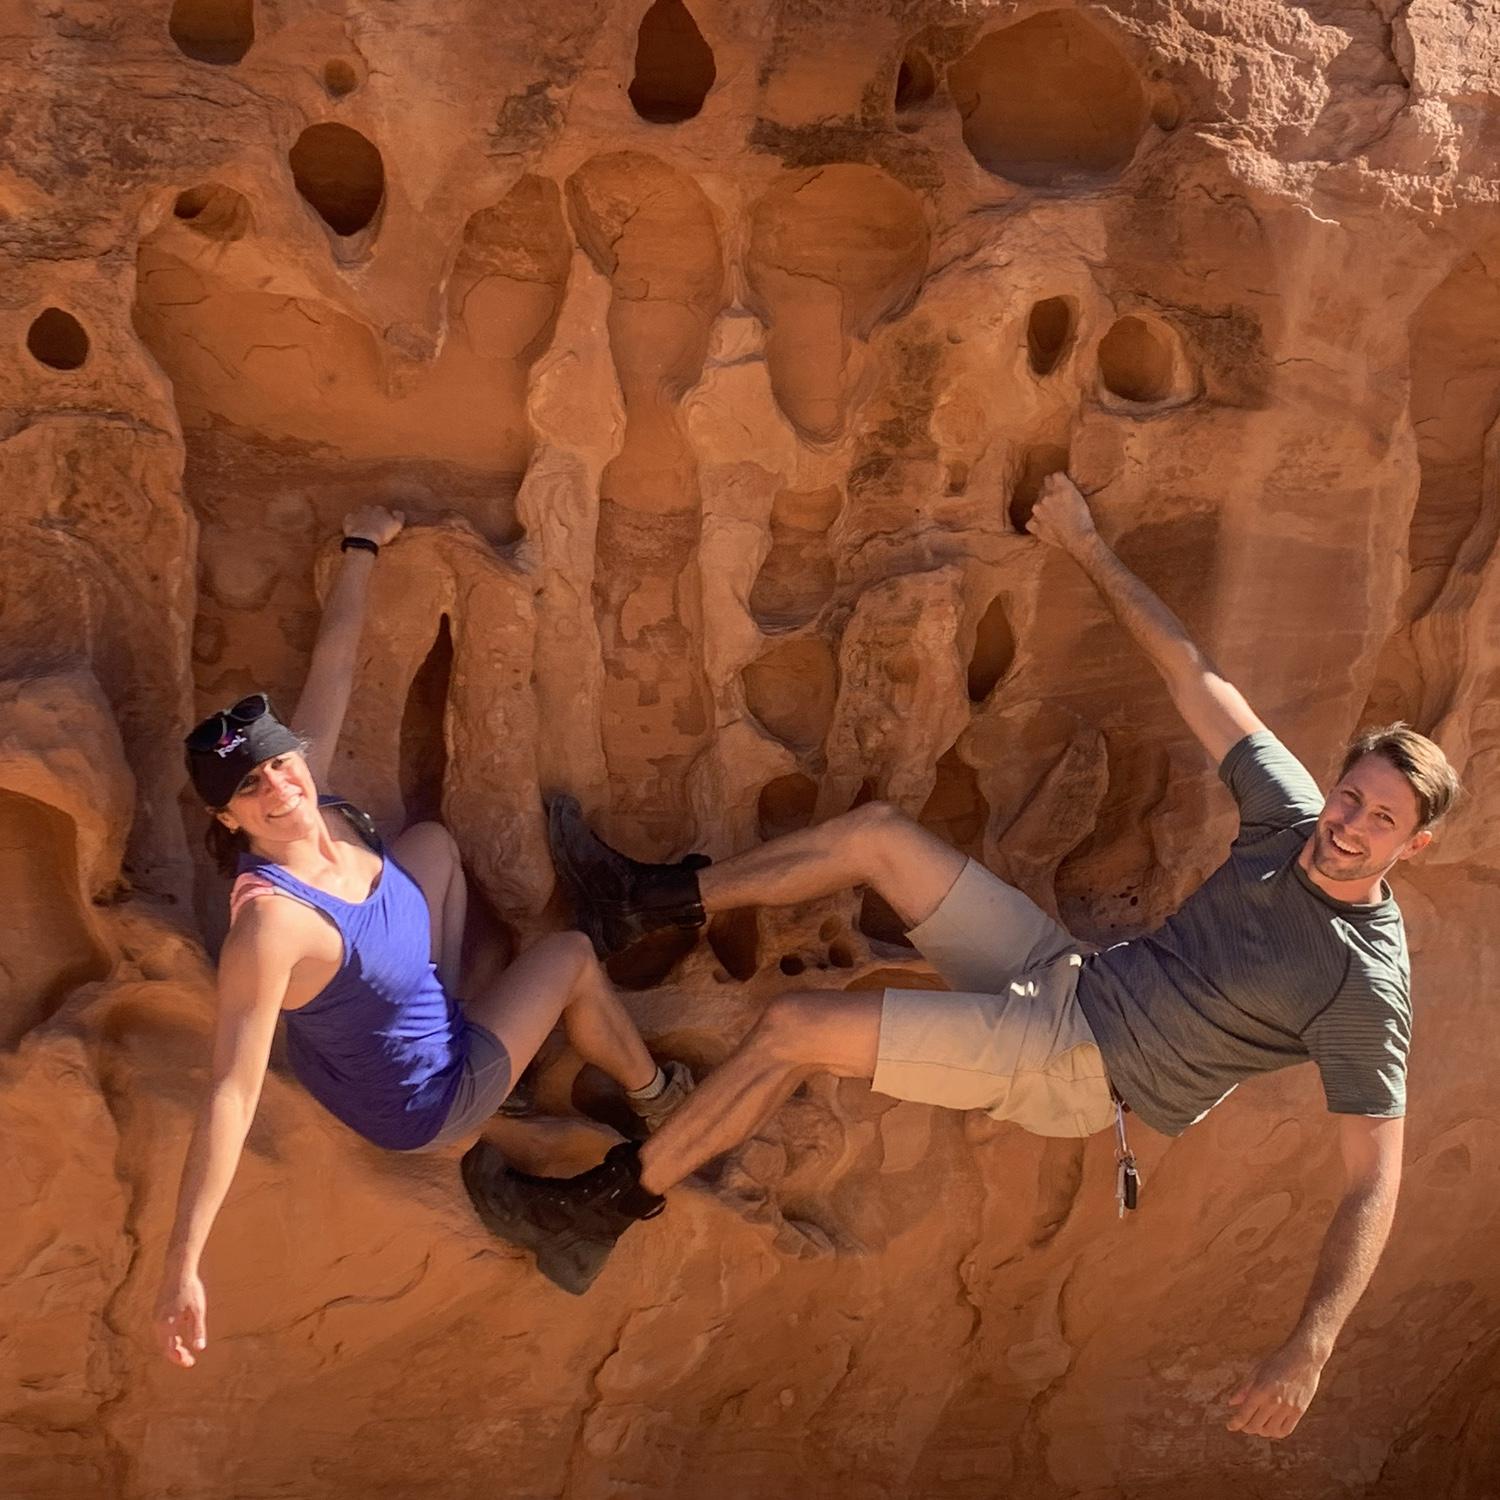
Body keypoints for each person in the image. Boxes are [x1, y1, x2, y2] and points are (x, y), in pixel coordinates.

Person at [460, 473, 1461, 1442]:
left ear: (1410, 848)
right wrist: (1084, 544)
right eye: (1350, 798)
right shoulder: (1289, 816)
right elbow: (1193, 673)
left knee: (793, 1030)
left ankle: (600, 1214)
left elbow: (1374, 1181)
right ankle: (646, 902)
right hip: (1072, 972)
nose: (1349, 826)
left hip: (1083, 1068)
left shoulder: (1361, 983)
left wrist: (1313, 1345)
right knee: (879, 836)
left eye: (1381, 823)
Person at [154, 505, 690, 1367]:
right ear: (227, 815)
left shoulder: (310, 792)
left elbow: (336, 666)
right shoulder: (272, 924)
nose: (280, 786)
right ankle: (656, 1090)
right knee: (572, 957)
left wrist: (359, 546)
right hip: (423, 1099)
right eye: (251, 787)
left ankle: (445, 1003)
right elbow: (228, 1091)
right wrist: (183, 1262)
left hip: (368, 1030)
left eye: (280, 762)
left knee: (434, 844)